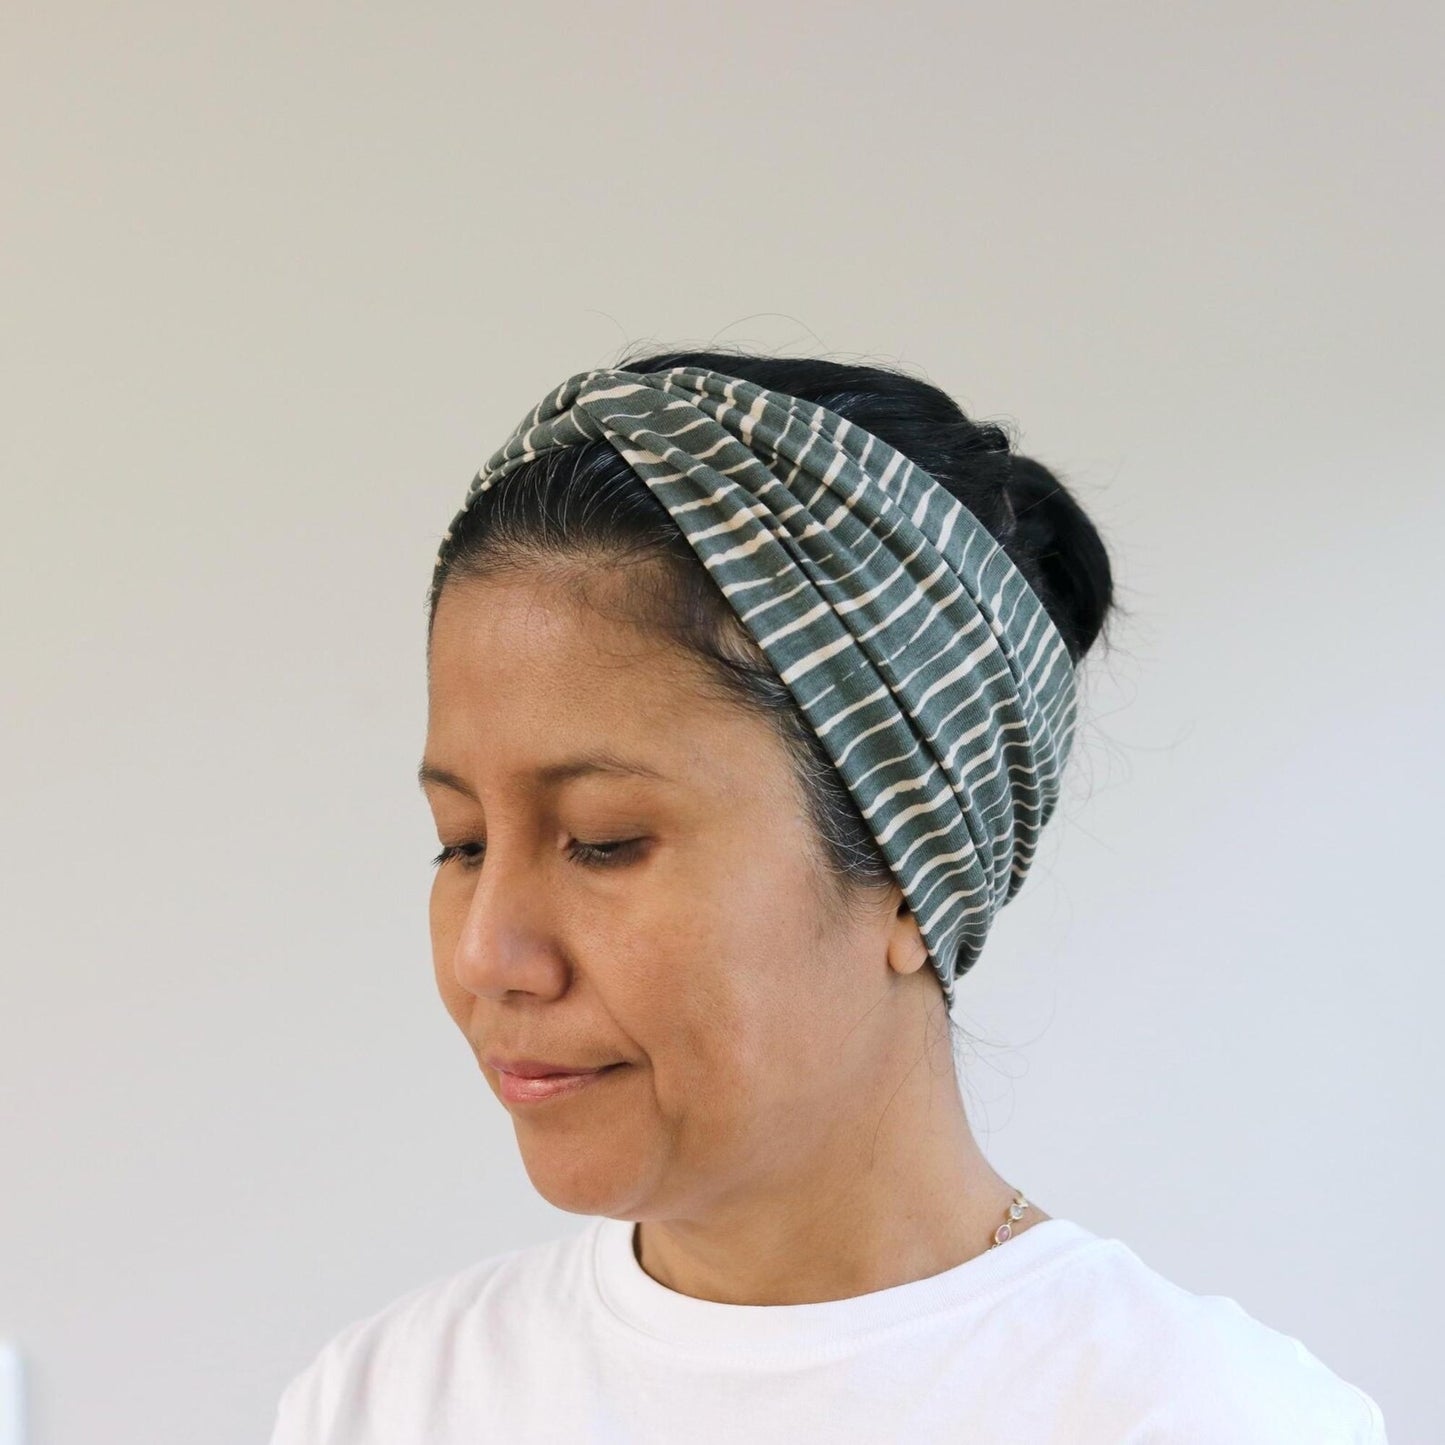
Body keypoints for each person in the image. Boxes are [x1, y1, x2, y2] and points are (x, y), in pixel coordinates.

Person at [267, 347, 1389, 1443]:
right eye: (460, 843)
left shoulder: (1197, 1416)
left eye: (602, 842)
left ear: (907, 869)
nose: (487, 951)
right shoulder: (383, 1400)